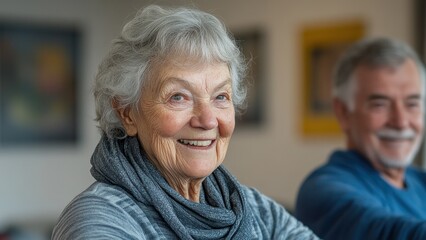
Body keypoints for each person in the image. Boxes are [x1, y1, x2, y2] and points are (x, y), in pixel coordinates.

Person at [52, 5, 318, 239]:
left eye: (220, 96)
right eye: (178, 97)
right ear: (127, 113)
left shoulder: (251, 209)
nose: (207, 119)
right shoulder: (99, 217)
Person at [295, 37, 426, 240]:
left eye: (412, 104)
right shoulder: (323, 192)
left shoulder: (421, 181)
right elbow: (389, 234)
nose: (401, 122)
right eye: (380, 104)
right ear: (343, 112)